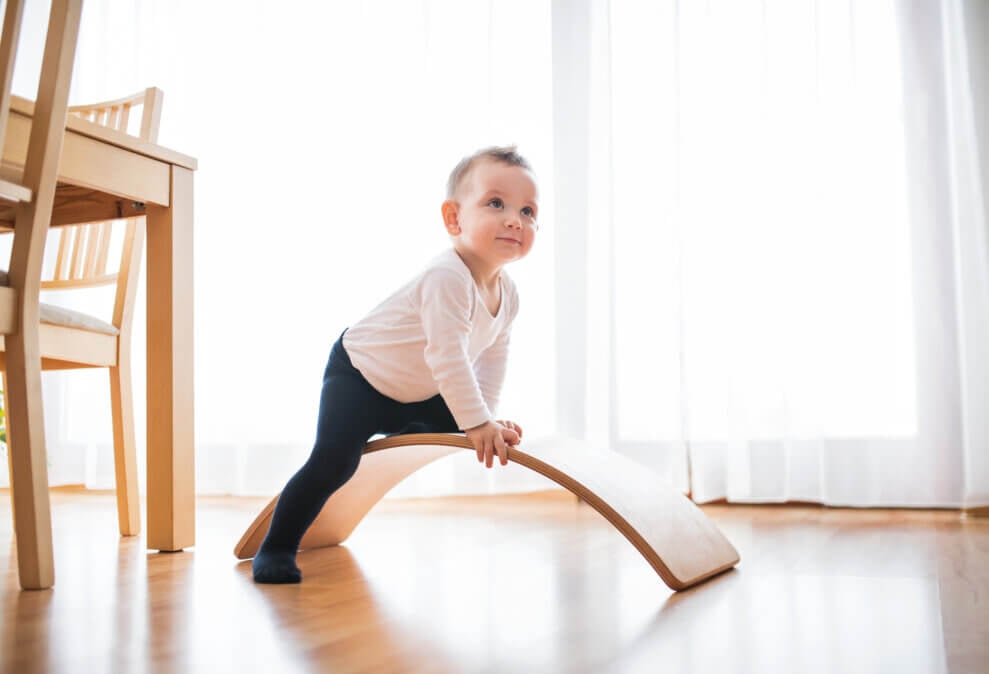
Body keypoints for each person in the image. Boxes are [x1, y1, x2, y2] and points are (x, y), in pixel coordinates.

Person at [252, 145, 540, 583]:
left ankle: (409, 426)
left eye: (528, 211)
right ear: (453, 219)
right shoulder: (448, 276)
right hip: (361, 377)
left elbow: (492, 356)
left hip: (420, 388)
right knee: (334, 461)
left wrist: (486, 417)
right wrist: (478, 422)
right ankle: (276, 546)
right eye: (495, 203)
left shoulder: (509, 294)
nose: (515, 219)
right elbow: (448, 357)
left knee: (458, 422)